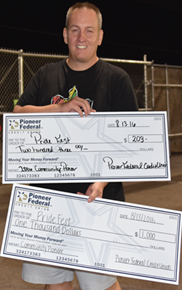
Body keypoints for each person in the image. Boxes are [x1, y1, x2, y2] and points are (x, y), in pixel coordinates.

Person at [13, 2, 138, 290]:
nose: (82, 37)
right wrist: (58, 109)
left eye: (89, 31)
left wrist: (102, 182)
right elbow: (18, 115)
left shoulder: (116, 80)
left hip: (95, 201)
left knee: (101, 285)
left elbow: (129, 143)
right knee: (55, 284)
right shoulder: (46, 74)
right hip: (47, 203)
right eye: (75, 30)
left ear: (100, 36)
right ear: (65, 35)